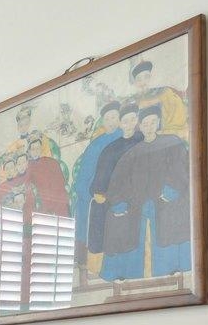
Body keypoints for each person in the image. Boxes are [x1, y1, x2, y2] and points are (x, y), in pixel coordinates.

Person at [100, 104, 191, 281]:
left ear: (158, 123)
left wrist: (171, 190)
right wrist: (118, 200)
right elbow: (119, 180)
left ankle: (172, 271)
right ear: (139, 126)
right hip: (138, 203)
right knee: (121, 223)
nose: (149, 127)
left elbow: (182, 171)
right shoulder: (133, 153)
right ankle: (127, 275)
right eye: (145, 124)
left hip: (165, 200)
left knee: (173, 220)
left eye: (152, 122)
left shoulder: (172, 143)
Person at [85, 102, 143, 269]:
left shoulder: (143, 140)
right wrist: (99, 192)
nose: (129, 124)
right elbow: (101, 176)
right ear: (121, 123)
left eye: (133, 119)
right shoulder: (111, 148)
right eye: (125, 121)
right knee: (99, 205)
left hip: (138, 192)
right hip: (115, 193)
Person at [68, 101, 124, 273]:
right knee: (84, 208)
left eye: (114, 117)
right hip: (95, 192)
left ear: (120, 119)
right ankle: (85, 264)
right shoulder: (96, 144)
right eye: (107, 118)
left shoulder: (127, 137)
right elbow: (84, 174)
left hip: (119, 190)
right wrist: (89, 194)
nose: (111, 121)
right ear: (103, 121)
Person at [130, 59, 188, 137]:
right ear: (135, 83)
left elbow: (179, 124)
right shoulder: (134, 102)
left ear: (152, 77)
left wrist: (161, 134)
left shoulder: (166, 93)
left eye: (146, 77)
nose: (143, 83)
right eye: (139, 79)